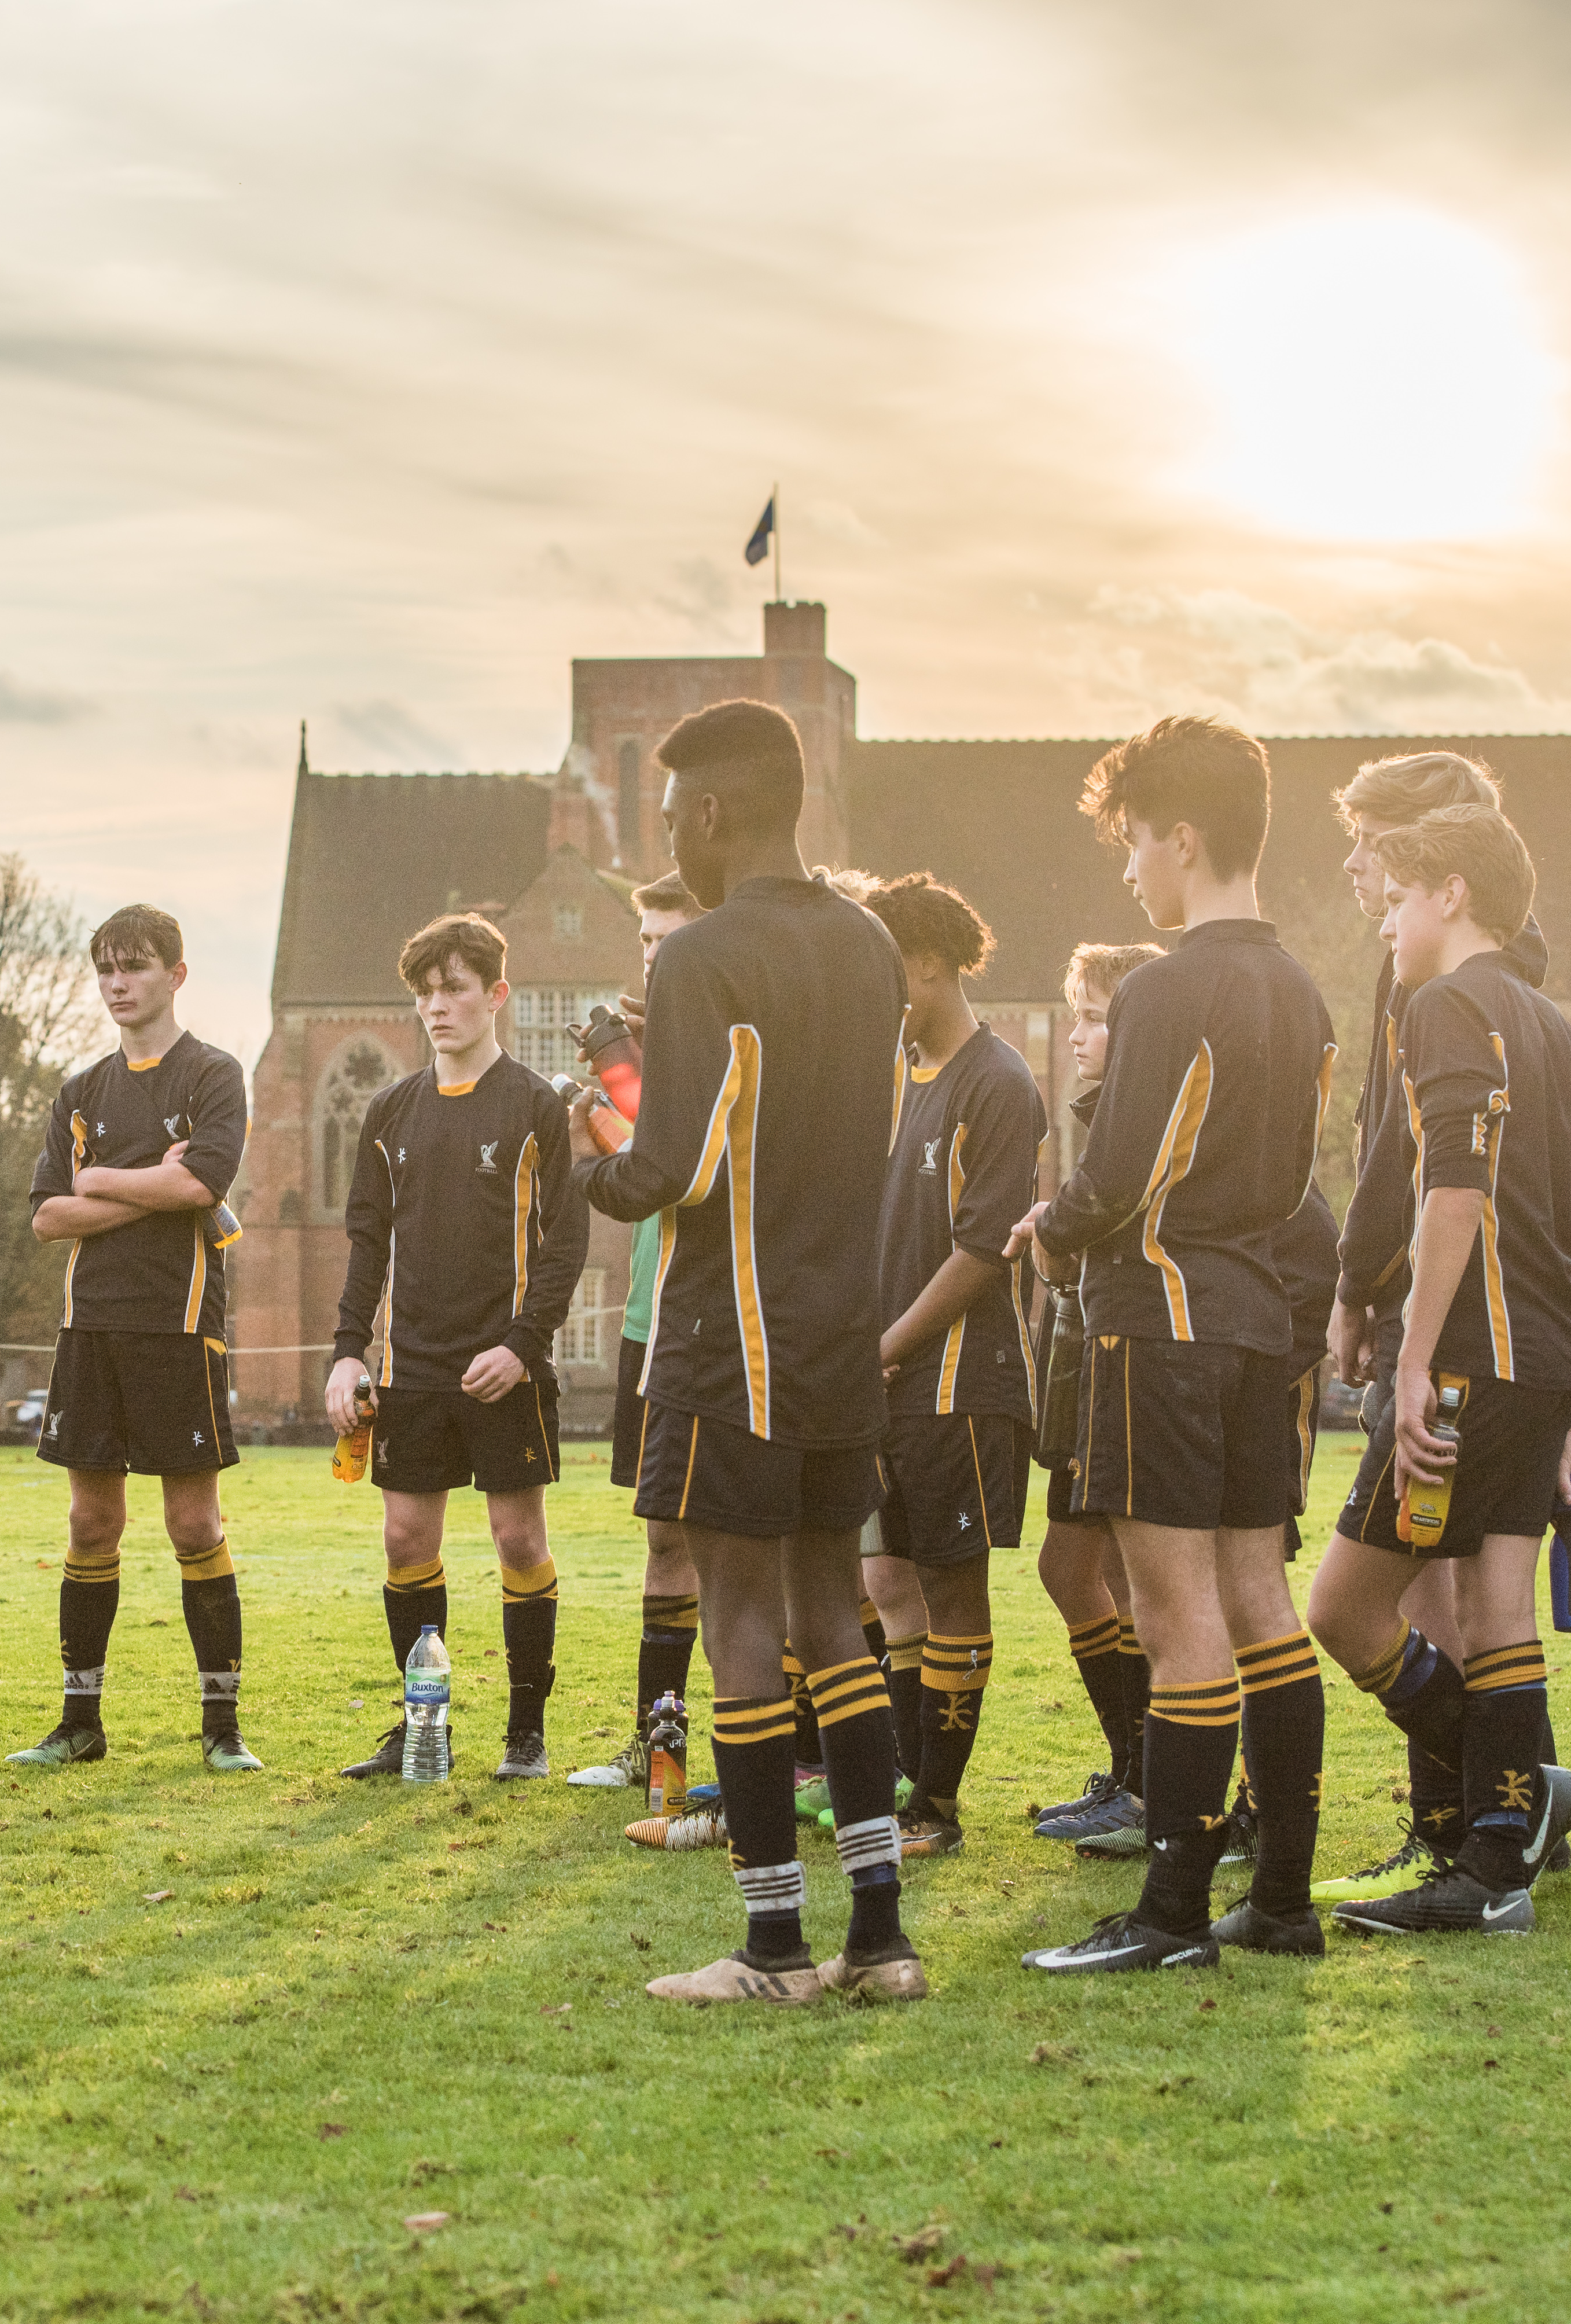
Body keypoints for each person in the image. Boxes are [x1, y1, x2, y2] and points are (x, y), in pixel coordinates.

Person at [572, 700, 923, 2006]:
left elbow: (676, 1165)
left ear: (710, 813)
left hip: (730, 1342)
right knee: (837, 1619)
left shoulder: (701, 958)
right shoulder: (873, 945)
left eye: (668, 815)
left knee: (738, 1626)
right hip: (841, 1340)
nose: (666, 833)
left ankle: (772, 1946)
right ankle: (879, 1940)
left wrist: (591, 1157)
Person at [1008, 715, 1335, 1975]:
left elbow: (1111, 1176)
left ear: (1182, 837)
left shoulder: (1161, 986)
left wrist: (1051, 1226)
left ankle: (1171, 1914)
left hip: (1161, 1323)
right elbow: (1296, 1178)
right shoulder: (1301, 987)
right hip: (1260, 1332)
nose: (1132, 871)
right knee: (1260, 1601)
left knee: (1174, 1608)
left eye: (1136, 843)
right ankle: (1284, 1900)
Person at [1307, 805, 1571, 1937]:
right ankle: (1507, 1836)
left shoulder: (1441, 1007)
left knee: (1341, 1606)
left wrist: (1416, 1353)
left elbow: (1453, 1188)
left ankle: (1507, 1807)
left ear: (1449, 894)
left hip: (1471, 1362)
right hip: (1543, 1359)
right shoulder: (1556, 1030)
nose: (1380, 920)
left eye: (1392, 897)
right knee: (1494, 1603)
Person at [321, 911, 587, 1781]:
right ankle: (416, 1728)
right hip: (412, 1371)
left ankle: (526, 1733)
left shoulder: (534, 1106)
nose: (438, 1007)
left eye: (456, 990)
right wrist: (347, 1351)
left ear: (495, 996)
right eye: (426, 993)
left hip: (504, 1369)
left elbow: (565, 1243)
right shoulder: (391, 1112)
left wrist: (523, 1343)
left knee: (518, 1543)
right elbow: (366, 1240)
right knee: (406, 1541)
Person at [8, 904, 260, 1774]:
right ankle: (80, 1723)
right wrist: (159, 1177)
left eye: (137, 966)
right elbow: (48, 1215)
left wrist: (108, 1181)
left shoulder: (213, 1076)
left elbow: (203, 1185)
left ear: (176, 975)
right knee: (89, 1522)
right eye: (107, 968)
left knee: (194, 1526)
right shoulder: (80, 1090)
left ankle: (222, 1729)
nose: (119, 983)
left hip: (181, 1330)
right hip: (91, 1331)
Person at [856, 873, 1046, 1859]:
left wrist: (884, 1350)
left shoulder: (998, 1083)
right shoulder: (890, 1074)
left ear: (927, 963)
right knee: (887, 1582)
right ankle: (901, 1789)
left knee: (952, 1591)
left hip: (961, 1385)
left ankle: (937, 1806)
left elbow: (985, 1249)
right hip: (881, 1384)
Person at [571, 869, 707, 1790]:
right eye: (646, 942)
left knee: (745, 1547)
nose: (653, 957)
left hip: (715, 1327)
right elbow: (647, 1157)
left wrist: (611, 1110)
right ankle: (656, 1748)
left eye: (671, 938)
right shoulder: (659, 1050)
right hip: (645, 1323)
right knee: (663, 1537)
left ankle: (789, 1758)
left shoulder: (726, 1043)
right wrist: (611, 1099)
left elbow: (670, 1161)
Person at [1030, 942, 1162, 1855]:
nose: (1077, 1036)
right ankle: (1132, 1767)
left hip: (1135, 1364)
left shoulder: (1147, 1116)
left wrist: (1055, 1228)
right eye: (1072, 1016)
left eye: (1092, 1017)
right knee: (1075, 1570)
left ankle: (1156, 1783)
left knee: (1125, 1580)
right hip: (1087, 1368)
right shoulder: (1103, 1110)